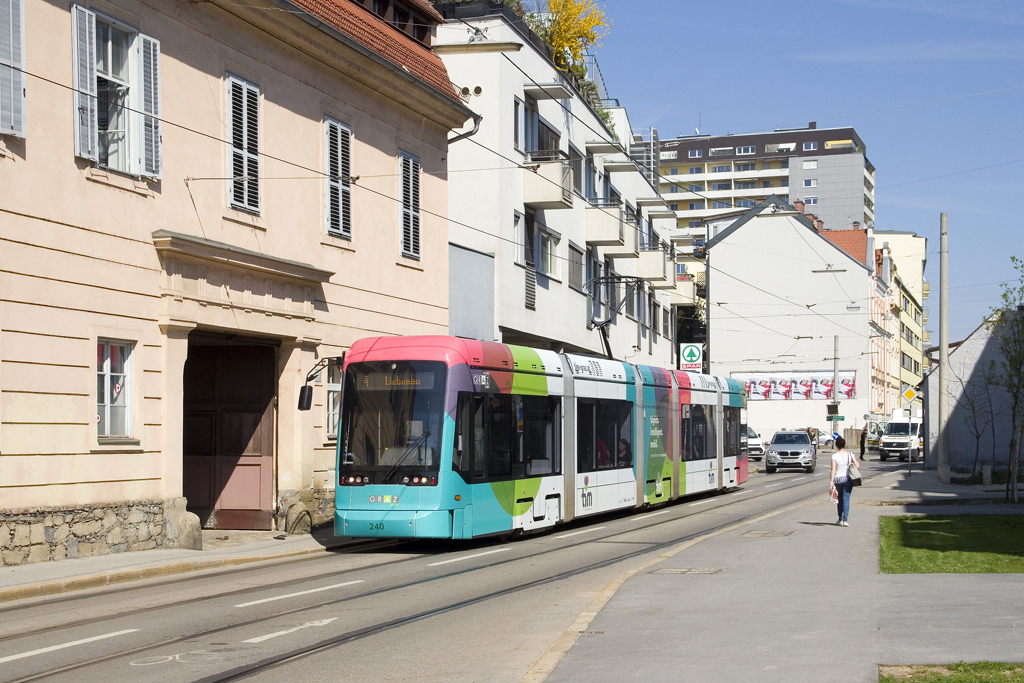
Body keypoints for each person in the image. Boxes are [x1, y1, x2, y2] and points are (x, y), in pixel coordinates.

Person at [829, 436, 859, 526]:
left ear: (836, 445)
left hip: (838, 479)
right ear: (844, 444)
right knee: (846, 499)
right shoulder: (850, 455)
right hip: (848, 479)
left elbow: (833, 469)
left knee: (839, 500)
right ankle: (845, 520)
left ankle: (840, 519)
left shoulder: (834, 456)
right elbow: (857, 465)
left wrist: (831, 481)